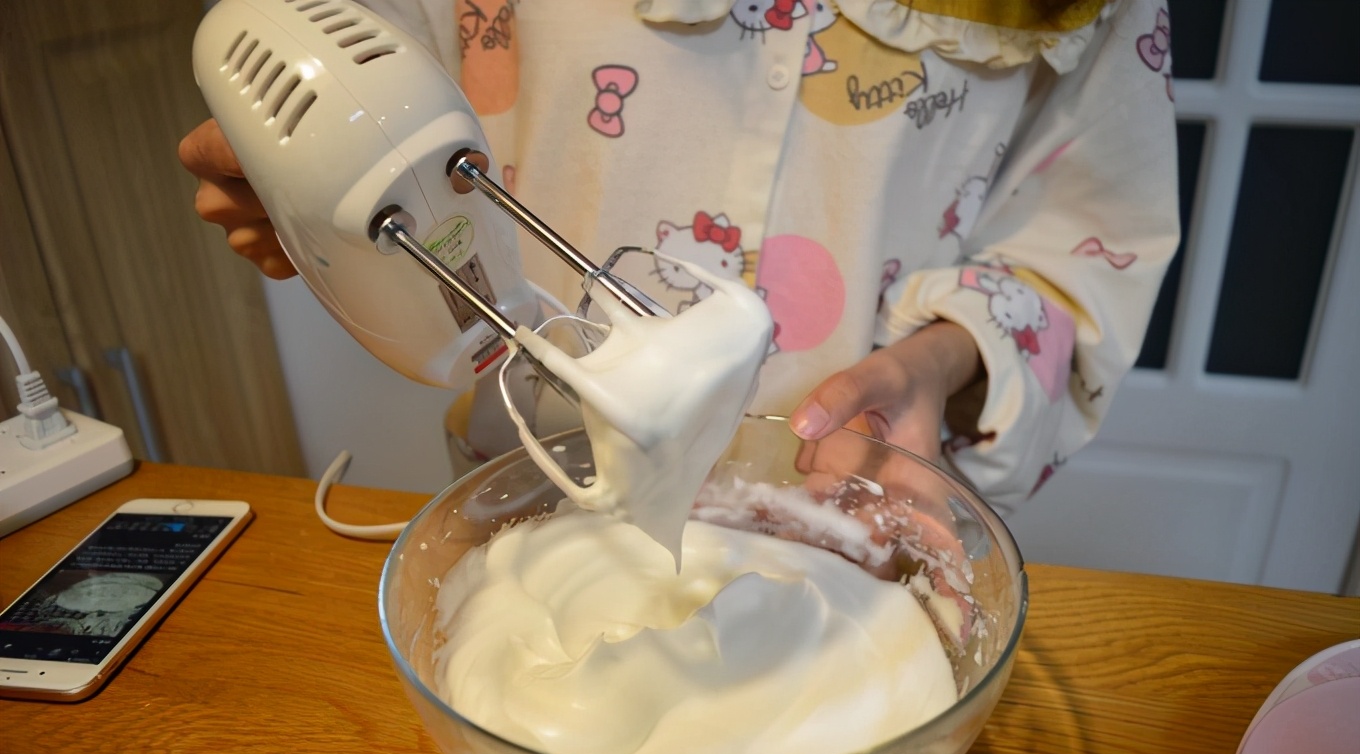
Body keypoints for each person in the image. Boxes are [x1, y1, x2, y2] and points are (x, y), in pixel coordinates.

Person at [179, 0, 1179, 515]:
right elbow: (353, 62)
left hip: (859, 514)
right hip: (537, 493)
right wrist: (307, 172)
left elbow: (1086, 244)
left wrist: (941, 358)